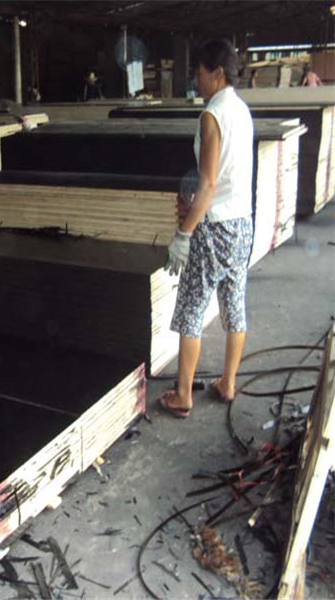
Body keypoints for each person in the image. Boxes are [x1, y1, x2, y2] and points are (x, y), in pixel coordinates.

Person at [159, 39, 254, 418]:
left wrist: (184, 233)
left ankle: (183, 395)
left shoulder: (212, 115)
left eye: (199, 73)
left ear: (216, 73)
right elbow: (228, 176)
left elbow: (210, 182)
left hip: (213, 228)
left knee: (192, 309)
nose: (195, 80)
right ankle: (228, 383)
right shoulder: (242, 110)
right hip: (242, 223)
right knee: (234, 303)